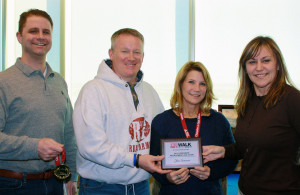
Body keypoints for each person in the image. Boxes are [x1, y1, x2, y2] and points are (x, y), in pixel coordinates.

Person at [73, 28, 170, 195]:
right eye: (124, 51)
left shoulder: (149, 91)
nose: (131, 58)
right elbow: (91, 147)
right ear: (111, 53)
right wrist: (136, 159)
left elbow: (164, 134)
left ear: (143, 56)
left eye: (136, 52)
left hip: (141, 186)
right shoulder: (93, 91)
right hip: (101, 188)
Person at [203, 36, 300, 195]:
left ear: (278, 65)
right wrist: (223, 151)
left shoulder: (292, 99)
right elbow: (246, 147)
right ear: (245, 68)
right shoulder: (246, 102)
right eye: (252, 62)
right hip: (245, 189)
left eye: (266, 60)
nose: (259, 67)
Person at [0, 9, 78, 195]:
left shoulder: (58, 80)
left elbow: (68, 132)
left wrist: (72, 176)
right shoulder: (3, 82)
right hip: (14, 184)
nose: (40, 37)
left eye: (46, 32)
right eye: (33, 31)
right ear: (19, 37)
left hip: (55, 183)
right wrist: (35, 147)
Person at [150, 61, 238, 195]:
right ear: (180, 84)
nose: (197, 88)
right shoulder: (161, 121)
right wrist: (166, 177)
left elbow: (232, 158)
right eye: (191, 82)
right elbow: (154, 163)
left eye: (202, 84)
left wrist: (212, 172)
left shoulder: (219, 121)